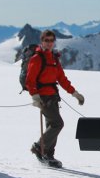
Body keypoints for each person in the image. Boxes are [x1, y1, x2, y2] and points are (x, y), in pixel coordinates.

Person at [26, 29, 85, 168]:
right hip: (44, 97)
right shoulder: (37, 58)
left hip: (52, 96)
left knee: (51, 125)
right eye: (46, 40)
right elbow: (30, 80)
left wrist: (74, 93)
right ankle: (39, 147)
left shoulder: (54, 58)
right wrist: (35, 97)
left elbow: (62, 79)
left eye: (52, 40)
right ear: (42, 41)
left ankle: (47, 154)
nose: (49, 43)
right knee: (57, 124)